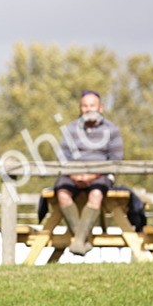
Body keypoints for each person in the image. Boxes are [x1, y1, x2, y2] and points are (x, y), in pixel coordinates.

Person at [54, 90, 124, 255]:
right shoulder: (70, 129)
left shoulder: (112, 130)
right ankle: (82, 239)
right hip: (72, 175)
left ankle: (78, 241)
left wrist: (93, 175)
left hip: (100, 176)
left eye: (92, 105)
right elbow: (62, 156)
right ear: (80, 108)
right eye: (85, 106)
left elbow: (115, 159)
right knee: (62, 193)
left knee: (96, 195)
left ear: (101, 108)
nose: (88, 109)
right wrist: (73, 174)